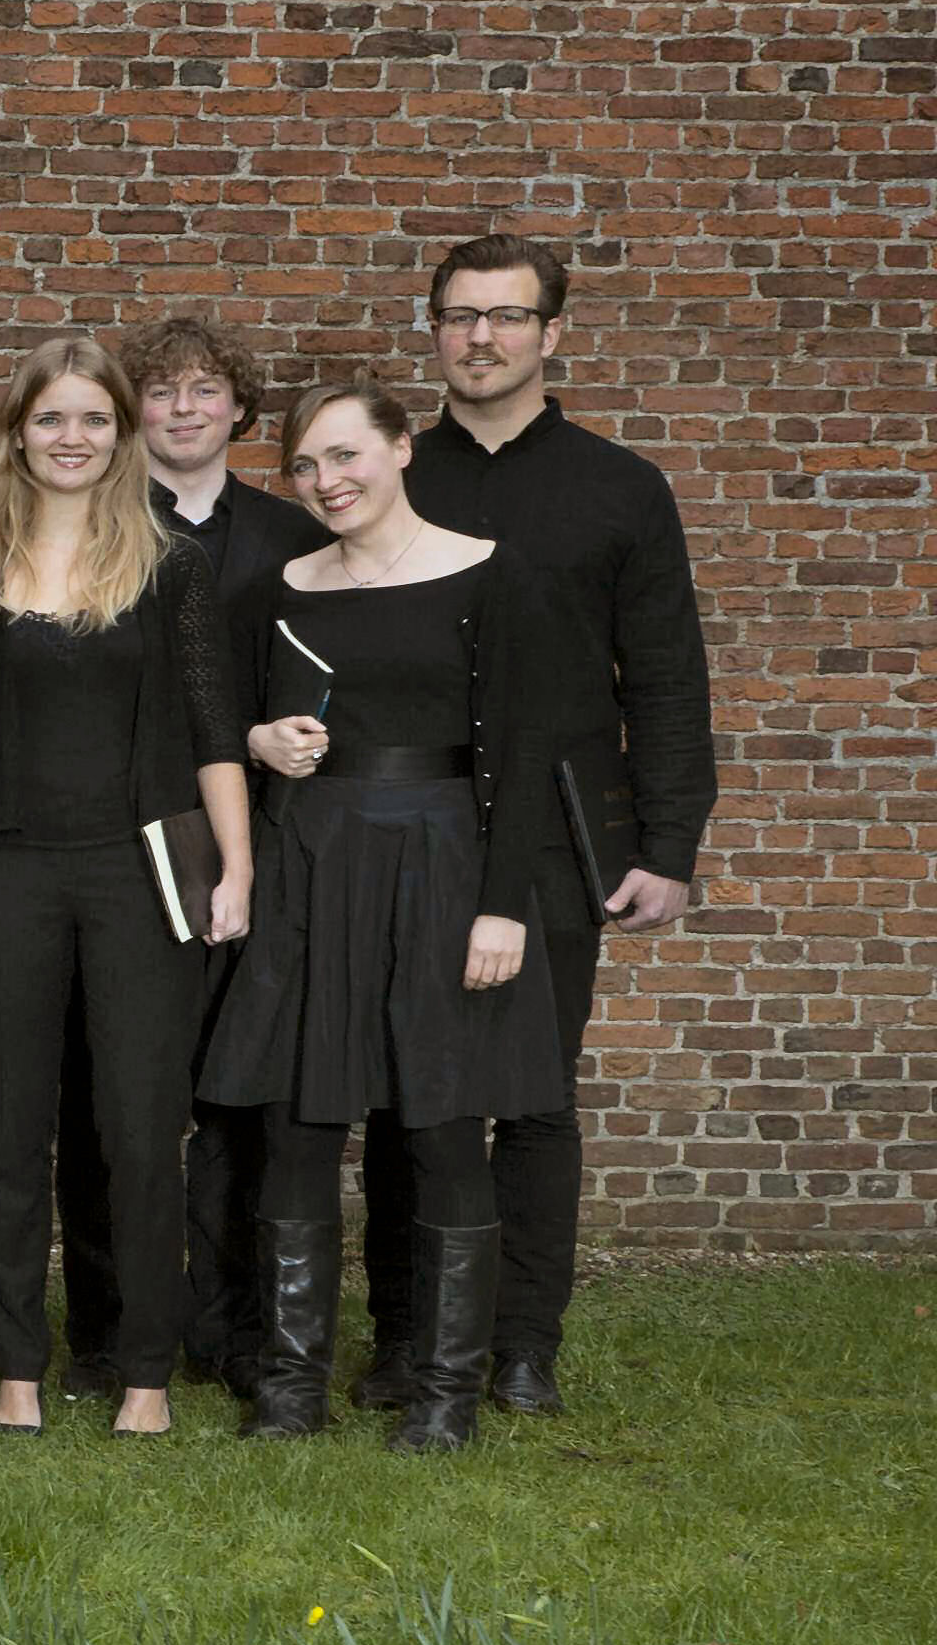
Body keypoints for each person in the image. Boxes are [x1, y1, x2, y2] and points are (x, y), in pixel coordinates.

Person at [198, 379, 577, 1451]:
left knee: (449, 1129)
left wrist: (502, 909)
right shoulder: (273, 594)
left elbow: (522, 753)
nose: (328, 482)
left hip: (449, 862)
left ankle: (446, 1400)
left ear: (402, 448)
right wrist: (260, 742)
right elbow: (213, 719)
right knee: (299, 1128)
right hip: (315, 861)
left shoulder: (492, 577)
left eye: (347, 456)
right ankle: (288, 1392)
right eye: (307, 466)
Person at [390, 234, 716, 1418]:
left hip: (563, 836)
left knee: (532, 1098)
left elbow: (669, 678)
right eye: (459, 316)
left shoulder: (619, 487)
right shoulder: (390, 475)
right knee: (408, 1091)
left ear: (552, 333)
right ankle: (410, 1342)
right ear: (432, 330)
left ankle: (525, 1346)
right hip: (411, 825)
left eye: (507, 317)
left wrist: (668, 846)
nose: (481, 338)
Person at [0, 338, 250, 1441]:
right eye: (52, 419)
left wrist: (237, 869)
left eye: (94, 421)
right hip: (4, 868)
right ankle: (19, 1366)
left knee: (137, 1127)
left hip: (139, 875)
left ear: (122, 435)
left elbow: (216, 732)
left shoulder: (172, 567)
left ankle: (144, 1376)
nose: (73, 439)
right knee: (12, 1128)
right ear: (17, 432)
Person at [125, 311, 331, 1383]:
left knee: (245, 1092)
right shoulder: (106, 524)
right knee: (142, 1093)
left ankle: (240, 1325)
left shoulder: (296, 535)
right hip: (144, 830)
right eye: (162, 392)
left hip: (274, 838)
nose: (184, 409)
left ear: (239, 409)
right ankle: (137, 1322)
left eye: (205, 390)